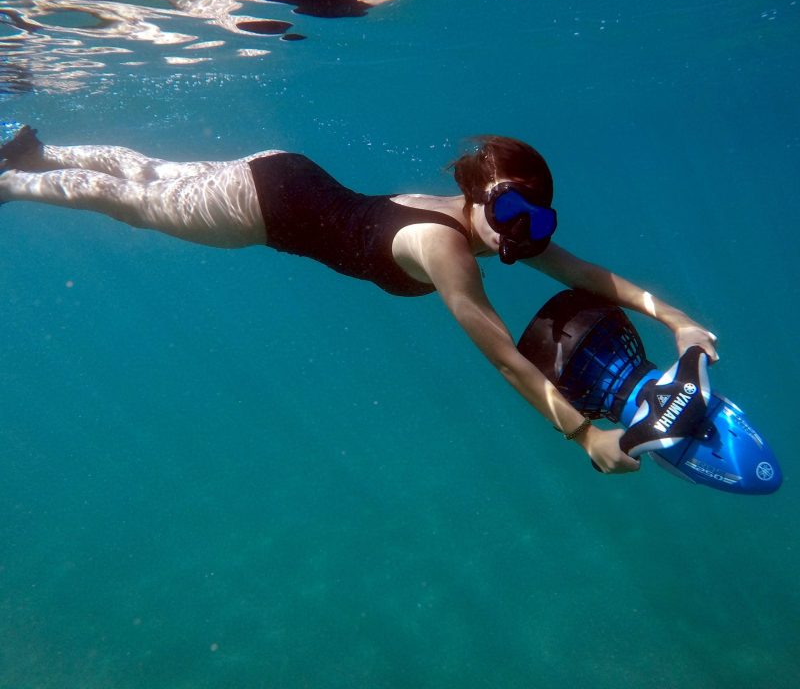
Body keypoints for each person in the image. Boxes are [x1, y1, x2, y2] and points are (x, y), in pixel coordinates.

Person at [0, 125, 718, 474]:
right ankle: (12, 178)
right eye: (509, 217)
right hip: (261, 209)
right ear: (477, 200)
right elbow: (502, 356)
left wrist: (677, 319)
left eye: (537, 224)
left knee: (148, 175)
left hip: (281, 170)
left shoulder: (478, 224)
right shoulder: (445, 250)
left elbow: (588, 274)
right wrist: (581, 433)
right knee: (127, 201)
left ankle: (38, 150)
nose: (520, 238)